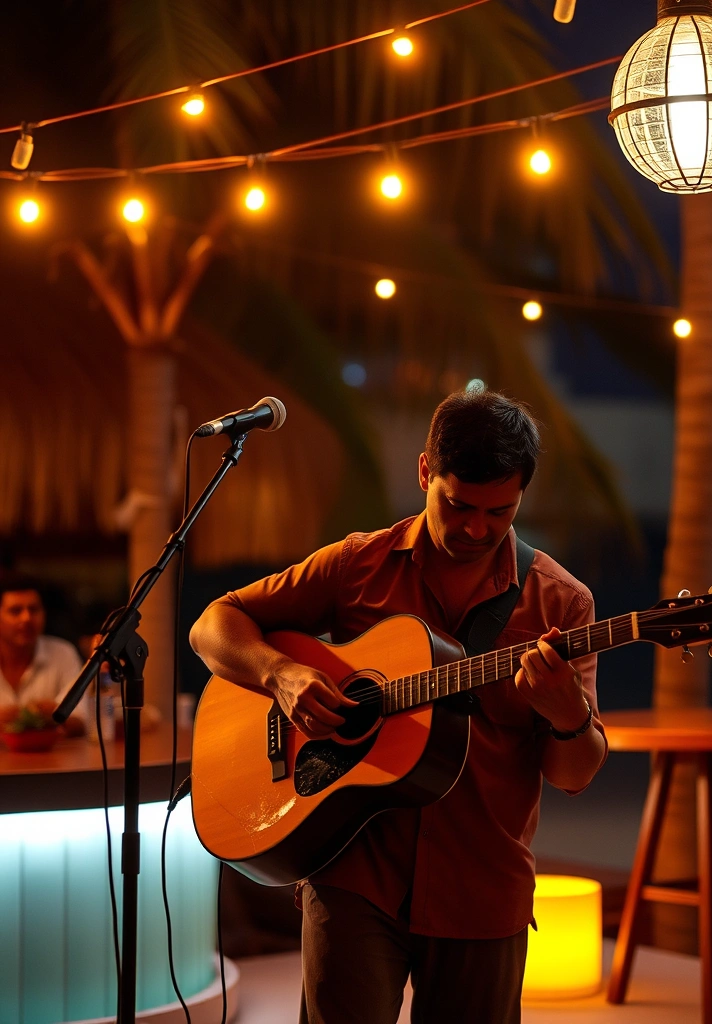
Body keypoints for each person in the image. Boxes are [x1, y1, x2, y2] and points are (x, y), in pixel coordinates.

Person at [190, 389, 608, 1024]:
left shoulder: (561, 604)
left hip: (481, 888)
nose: (476, 528)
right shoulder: (358, 564)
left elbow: (574, 774)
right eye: (458, 504)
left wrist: (566, 713)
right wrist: (280, 674)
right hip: (354, 875)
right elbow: (213, 625)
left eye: (499, 511)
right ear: (424, 472)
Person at [0, 574, 86, 733]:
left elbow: (80, 719)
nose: (26, 618)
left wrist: (45, 714)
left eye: (33, 610)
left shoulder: (63, 653)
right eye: (15, 611)